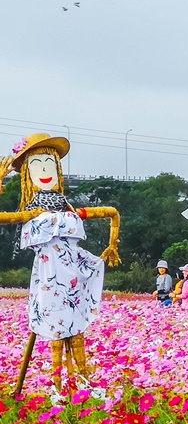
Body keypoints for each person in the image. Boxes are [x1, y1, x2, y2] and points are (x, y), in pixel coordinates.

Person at [0, 133, 120, 394]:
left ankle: (83, 381)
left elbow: (112, 212)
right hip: (49, 273)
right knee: (55, 325)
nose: (45, 171)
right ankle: (57, 386)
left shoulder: (70, 209)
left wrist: (112, 245)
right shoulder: (32, 211)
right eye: (37, 166)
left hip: (75, 270)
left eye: (49, 164)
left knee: (76, 327)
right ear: (27, 175)